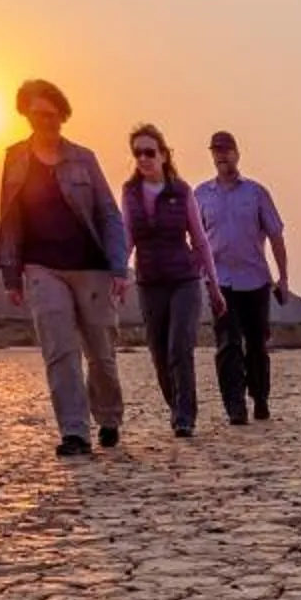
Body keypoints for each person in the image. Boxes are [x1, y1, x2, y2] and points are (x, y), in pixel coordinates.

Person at [0, 81, 132, 457]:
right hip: (42, 267)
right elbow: (9, 218)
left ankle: (107, 418)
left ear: (63, 115)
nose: (48, 120)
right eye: (39, 114)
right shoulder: (15, 159)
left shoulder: (83, 159)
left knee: (101, 354)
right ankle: (74, 432)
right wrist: (11, 275)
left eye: (54, 114)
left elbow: (108, 213)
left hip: (91, 267)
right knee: (60, 350)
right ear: (26, 114)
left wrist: (120, 268)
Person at [120, 125, 227, 440]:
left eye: (149, 152)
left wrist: (214, 287)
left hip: (184, 279)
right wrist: (118, 276)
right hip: (150, 281)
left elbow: (200, 240)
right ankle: (175, 405)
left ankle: (185, 416)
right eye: (137, 153)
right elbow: (127, 237)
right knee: (158, 351)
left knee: (180, 346)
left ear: (164, 155)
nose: (143, 158)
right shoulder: (130, 192)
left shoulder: (181, 191)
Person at [194, 130, 288, 425]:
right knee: (228, 342)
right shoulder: (200, 195)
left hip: (255, 279)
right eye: (217, 150)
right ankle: (234, 405)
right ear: (212, 155)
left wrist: (283, 279)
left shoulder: (256, 193)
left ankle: (259, 397)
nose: (222, 155)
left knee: (257, 343)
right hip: (220, 281)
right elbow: (195, 238)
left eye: (227, 149)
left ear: (237, 153)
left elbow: (275, 236)